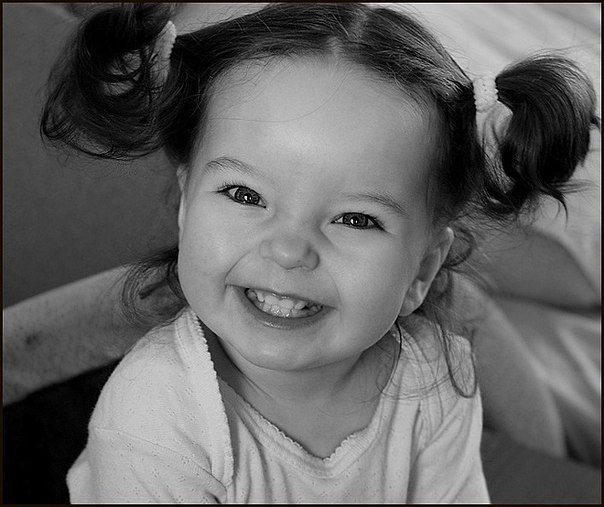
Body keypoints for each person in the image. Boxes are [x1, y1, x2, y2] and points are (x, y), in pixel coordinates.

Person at [36, 3, 598, 503]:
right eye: (245, 195)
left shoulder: (434, 378)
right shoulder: (155, 419)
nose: (288, 250)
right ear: (186, 204)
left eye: (356, 219)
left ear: (423, 270)